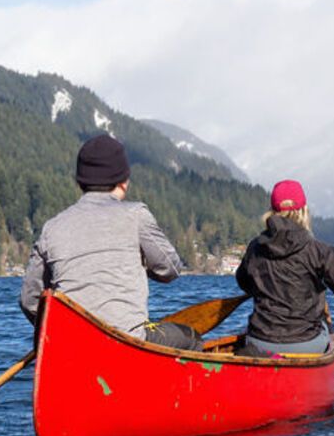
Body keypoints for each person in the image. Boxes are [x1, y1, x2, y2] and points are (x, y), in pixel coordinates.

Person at [20, 134, 202, 349]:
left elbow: (29, 300)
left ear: (80, 182)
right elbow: (170, 269)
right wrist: (141, 263)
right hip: (127, 341)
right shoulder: (136, 215)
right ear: (123, 181)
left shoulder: (52, 227)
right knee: (191, 338)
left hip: (70, 346)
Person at [235, 179, 334, 357]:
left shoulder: (255, 248)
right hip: (305, 343)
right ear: (304, 211)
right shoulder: (317, 250)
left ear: (273, 212)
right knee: (328, 332)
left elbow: (244, 282)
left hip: (260, 341)